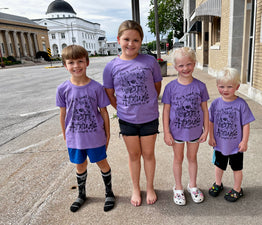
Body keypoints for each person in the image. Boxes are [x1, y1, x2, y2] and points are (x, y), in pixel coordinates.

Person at [103, 20, 162, 207]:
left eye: (135, 40)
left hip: (149, 118)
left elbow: (156, 86)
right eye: (126, 39)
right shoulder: (111, 67)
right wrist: (121, 110)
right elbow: (110, 94)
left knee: (149, 154)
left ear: (141, 41)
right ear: (119, 40)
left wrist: (147, 105)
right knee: (134, 155)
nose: (131, 43)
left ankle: (150, 187)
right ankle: (136, 188)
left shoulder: (150, 62)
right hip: (127, 119)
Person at [56, 45, 115, 212]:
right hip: (74, 137)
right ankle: (81, 195)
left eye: (80, 61)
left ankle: (109, 192)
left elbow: (104, 112)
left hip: (95, 136)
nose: (76, 66)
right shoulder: (62, 89)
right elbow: (62, 114)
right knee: (80, 166)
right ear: (65, 65)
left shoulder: (96, 88)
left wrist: (107, 134)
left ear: (87, 62)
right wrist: (65, 135)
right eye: (71, 62)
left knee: (102, 163)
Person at [161, 47, 209, 206]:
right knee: (178, 158)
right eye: (181, 65)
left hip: (195, 131)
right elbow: (166, 111)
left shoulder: (200, 86)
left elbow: (204, 109)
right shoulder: (170, 87)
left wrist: (206, 129)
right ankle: (178, 187)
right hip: (176, 132)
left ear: (194, 63)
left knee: (192, 158)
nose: (185, 68)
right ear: (175, 67)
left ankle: (192, 186)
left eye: (189, 64)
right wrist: (166, 132)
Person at [208, 67, 255, 202]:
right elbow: (211, 121)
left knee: (237, 168)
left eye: (230, 86)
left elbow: (246, 124)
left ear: (237, 87)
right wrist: (211, 136)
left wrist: (244, 141)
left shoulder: (241, 104)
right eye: (222, 86)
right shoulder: (216, 103)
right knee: (218, 166)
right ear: (217, 86)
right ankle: (218, 184)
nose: (225, 90)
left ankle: (237, 189)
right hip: (219, 144)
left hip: (236, 146)